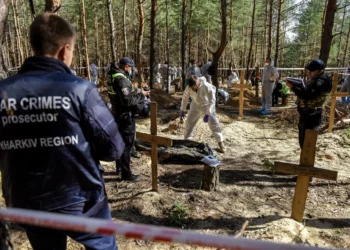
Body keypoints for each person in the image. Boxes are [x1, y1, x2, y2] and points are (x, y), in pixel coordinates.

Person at [0, 13, 123, 250]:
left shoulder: (3, 92)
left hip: (25, 202)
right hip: (81, 201)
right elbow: (113, 149)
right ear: (64, 50)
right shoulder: (80, 90)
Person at [107, 57, 150, 181]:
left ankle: (119, 168)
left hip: (116, 114)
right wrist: (142, 95)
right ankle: (126, 174)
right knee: (127, 145)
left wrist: (136, 91)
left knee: (119, 142)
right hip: (125, 116)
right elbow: (128, 101)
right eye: (131, 68)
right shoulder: (121, 79)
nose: (131, 70)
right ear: (126, 67)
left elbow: (122, 94)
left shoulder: (112, 75)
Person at [286, 59, 332, 148]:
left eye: (312, 71)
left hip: (312, 115)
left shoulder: (322, 80)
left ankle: (306, 161)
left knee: (307, 143)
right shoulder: (314, 79)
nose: (309, 72)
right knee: (303, 142)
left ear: (321, 71)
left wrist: (293, 88)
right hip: (306, 114)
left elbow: (308, 96)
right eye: (309, 70)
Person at [180, 75, 226, 153]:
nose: (192, 89)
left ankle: (220, 142)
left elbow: (212, 101)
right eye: (191, 88)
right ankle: (187, 141)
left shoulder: (207, 86)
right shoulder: (189, 87)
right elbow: (185, 98)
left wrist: (208, 113)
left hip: (207, 105)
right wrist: (182, 110)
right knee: (189, 122)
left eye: (193, 87)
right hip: (195, 104)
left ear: (197, 83)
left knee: (213, 123)